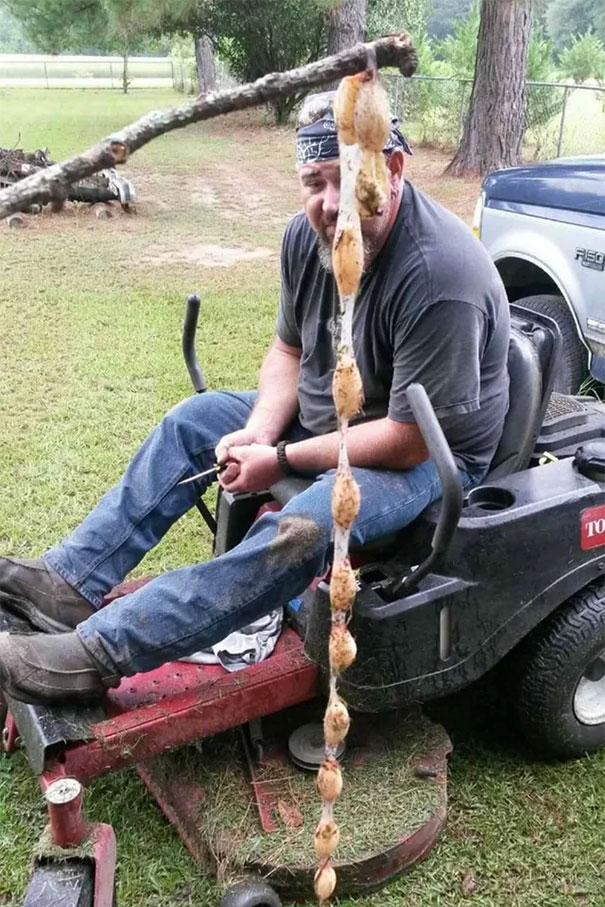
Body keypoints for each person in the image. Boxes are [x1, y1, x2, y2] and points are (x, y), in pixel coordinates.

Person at [0, 95, 510, 705]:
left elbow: (406, 441)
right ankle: (69, 583)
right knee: (193, 421)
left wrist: (286, 459)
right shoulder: (308, 236)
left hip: (426, 453)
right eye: (314, 183)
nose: (329, 204)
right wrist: (262, 431)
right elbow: (288, 353)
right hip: (337, 416)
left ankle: (98, 654)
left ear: (393, 169)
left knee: (304, 524)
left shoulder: (441, 275)